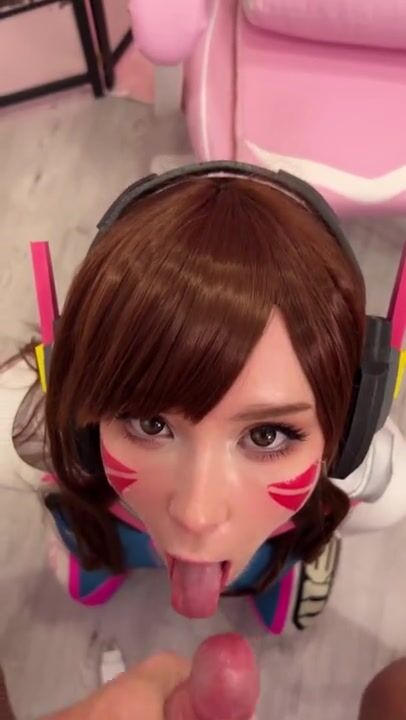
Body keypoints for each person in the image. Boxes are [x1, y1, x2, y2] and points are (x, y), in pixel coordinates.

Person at [4, 161, 405, 636]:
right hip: (104, 524)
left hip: (280, 540)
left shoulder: (381, 490)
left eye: (266, 435)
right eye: (151, 423)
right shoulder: (17, 428)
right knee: (86, 558)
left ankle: (282, 564)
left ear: (352, 428)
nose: (197, 513)